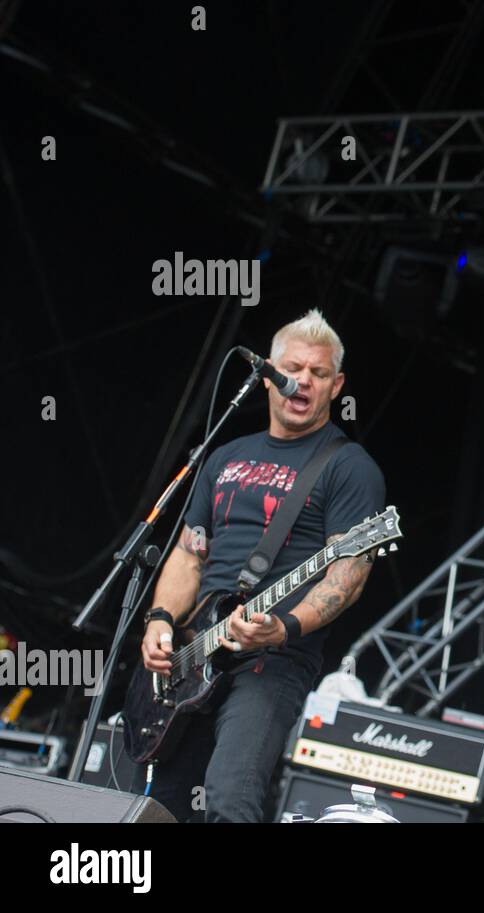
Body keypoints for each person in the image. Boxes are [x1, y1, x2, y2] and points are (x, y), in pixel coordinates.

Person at [135, 309, 385, 822]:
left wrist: (284, 626)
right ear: (269, 373)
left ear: (337, 386)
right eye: (293, 369)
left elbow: (349, 573)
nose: (304, 382)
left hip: (272, 660)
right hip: (191, 654)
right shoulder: (225, 455)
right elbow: (188, 553)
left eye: (319, 374)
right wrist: (160, 621)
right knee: (156, 808)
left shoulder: (348, 466)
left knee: (230, 798)